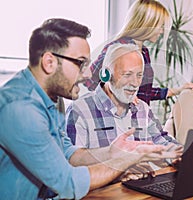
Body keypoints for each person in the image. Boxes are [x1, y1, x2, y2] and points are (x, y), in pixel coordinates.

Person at [0, 18, 181, 200]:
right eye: (81, 63)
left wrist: (112, 152)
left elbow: (70, 155)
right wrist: (127, 160)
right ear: (49, 63)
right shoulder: (21, 108)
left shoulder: (51, 101)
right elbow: (68, 183)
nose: (88, 74)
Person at [66, 43, 181, 180]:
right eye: (127, 74)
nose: (135, 83)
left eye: (139, 75)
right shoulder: (80, 110)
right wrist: (120, 169)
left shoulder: (142, 109)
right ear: (106, 74)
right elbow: (73, 166)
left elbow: (161, 140)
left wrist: (180, 155)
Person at [84, 0, 193, 105]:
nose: (161, 31)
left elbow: (143, 93)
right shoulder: (117, 48)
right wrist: (117, 97)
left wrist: (177, 90)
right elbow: (89, 80)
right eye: (160, 26)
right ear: (147, 23)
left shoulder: (144, 52)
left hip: (138, 120)